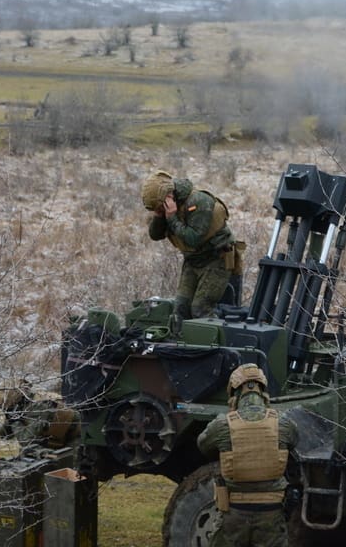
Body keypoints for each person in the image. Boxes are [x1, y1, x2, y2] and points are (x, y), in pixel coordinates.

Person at [197, 364, 298, 547]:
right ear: (264, 392)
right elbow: (294, 442)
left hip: (234, 511)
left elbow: (203, 446)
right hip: (272, 512)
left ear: (234, 394)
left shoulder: (222, 425)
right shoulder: (283, 423)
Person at [141, 170, 240, 320]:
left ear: (168, 196)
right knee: (181, 308)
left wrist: (172, 218)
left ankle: (220, 332)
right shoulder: (168, 207)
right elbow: (155, 235)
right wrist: (159, 216)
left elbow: (193, 239)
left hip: (217, 259)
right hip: (193, 261)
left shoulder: (199, 201)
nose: (158, 210)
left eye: (158, 207)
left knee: (200, 309)